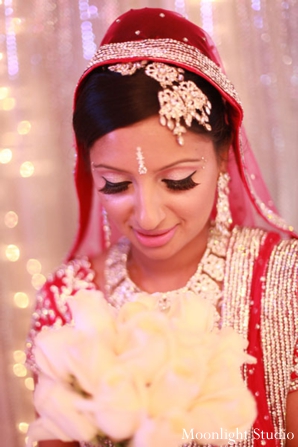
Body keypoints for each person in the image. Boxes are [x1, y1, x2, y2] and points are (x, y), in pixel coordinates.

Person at [26, 7, 298, 447]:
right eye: (115, 185)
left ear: (224, 154)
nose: (148, 216)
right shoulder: (69, 300)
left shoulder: (286, 283)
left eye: (178, 181)